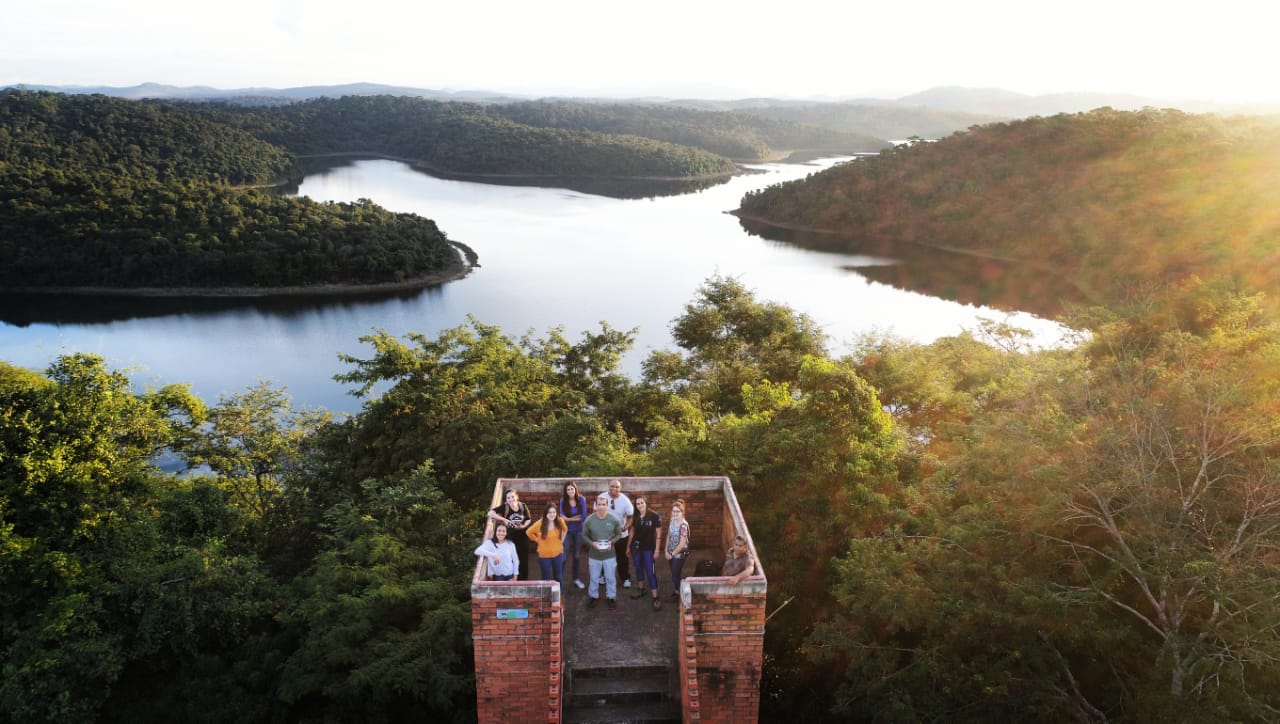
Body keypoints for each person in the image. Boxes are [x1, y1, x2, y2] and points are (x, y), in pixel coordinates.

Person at [583, 494, 623, 610]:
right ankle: (593, 596)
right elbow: (584, 535)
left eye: (603, 504)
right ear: (595, 505)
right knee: (594, 577)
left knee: (610, 577)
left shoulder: (614, 520)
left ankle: (611, 597)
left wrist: (612, 541)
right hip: (594, 555)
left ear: (607, 505)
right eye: (599, 504)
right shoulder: (589, 520)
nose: (601, 507)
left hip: (609, 555)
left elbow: (619, 534)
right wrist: (592, 543)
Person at [487, 489, 532, 580]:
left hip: (524, 537)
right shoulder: (505, 507)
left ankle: (524, 580)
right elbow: (490, 513)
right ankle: (516, 580)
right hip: (511, 538)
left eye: (512, 497)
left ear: (517, 497)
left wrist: (523, 526)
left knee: (524, 560)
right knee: (514, 559)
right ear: (506, 500)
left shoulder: (522, 506)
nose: (511, 499)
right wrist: (504, 520)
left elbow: (528, 519)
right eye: (508, 498)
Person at [629, 495, 662, 610]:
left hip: (649, 549)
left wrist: (657, 550)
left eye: (641, 503)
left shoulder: (654, 516)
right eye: (637, 504)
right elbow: (632, 531)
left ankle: (656, 598)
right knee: (638, 567)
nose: (640, 505)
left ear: (646, 503)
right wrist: (629, 547)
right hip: (636, 547)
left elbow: (658, 534)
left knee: (650, 571)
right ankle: (641, 589)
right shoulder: (636, 515)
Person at [601, 479, 634, 588]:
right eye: (612, 486)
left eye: (617, 487)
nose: (614, 488)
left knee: (622, 558)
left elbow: (630, 518)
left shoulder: (625, 501)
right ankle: (604, 576)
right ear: (608, 486)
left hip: (621, 535)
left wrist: (625, 527)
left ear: (620, 488)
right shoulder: (602, 497)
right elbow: (595, 513)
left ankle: (625, 578)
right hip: (605, 534)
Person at [526, 502, 568, 583]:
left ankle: (560, 595)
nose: (552, 514)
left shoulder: (559, 521)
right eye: (550, 512)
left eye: (554, 512)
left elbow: (565, 529)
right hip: (544, 556)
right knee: (546, 578)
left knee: (558, 577)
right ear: (546, 513)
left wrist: (561, 542)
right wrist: (537, 540)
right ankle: (546, 595)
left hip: (558, 554)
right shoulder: (540, 523)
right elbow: (528, 532)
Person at [559, 481, 590, 589]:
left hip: (578, 532)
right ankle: (559, 580)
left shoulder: (581, 499)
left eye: (572, 489)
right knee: (564, 557)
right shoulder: (563, 500)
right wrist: (574, 518)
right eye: (568, 489)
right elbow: (562, 518)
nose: (570, 491)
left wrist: (569, 519)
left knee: (577, 556)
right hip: (567, 531)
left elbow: (583, 517)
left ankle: (576, 578)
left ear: (575, 489)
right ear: (566, 491)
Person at [664, 499, 690, 602]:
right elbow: (668, 535)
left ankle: (683, 598)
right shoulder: (672, 520)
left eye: (677, 511)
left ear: (682, 512)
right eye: (673, 511)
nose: (675, 513)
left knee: (675, 575)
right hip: (670, 552)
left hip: (679, 554)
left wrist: (671, 554)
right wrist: (666, 550)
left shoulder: (683, 525)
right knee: (674, 574)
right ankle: (677, 591)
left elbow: (682, 543)